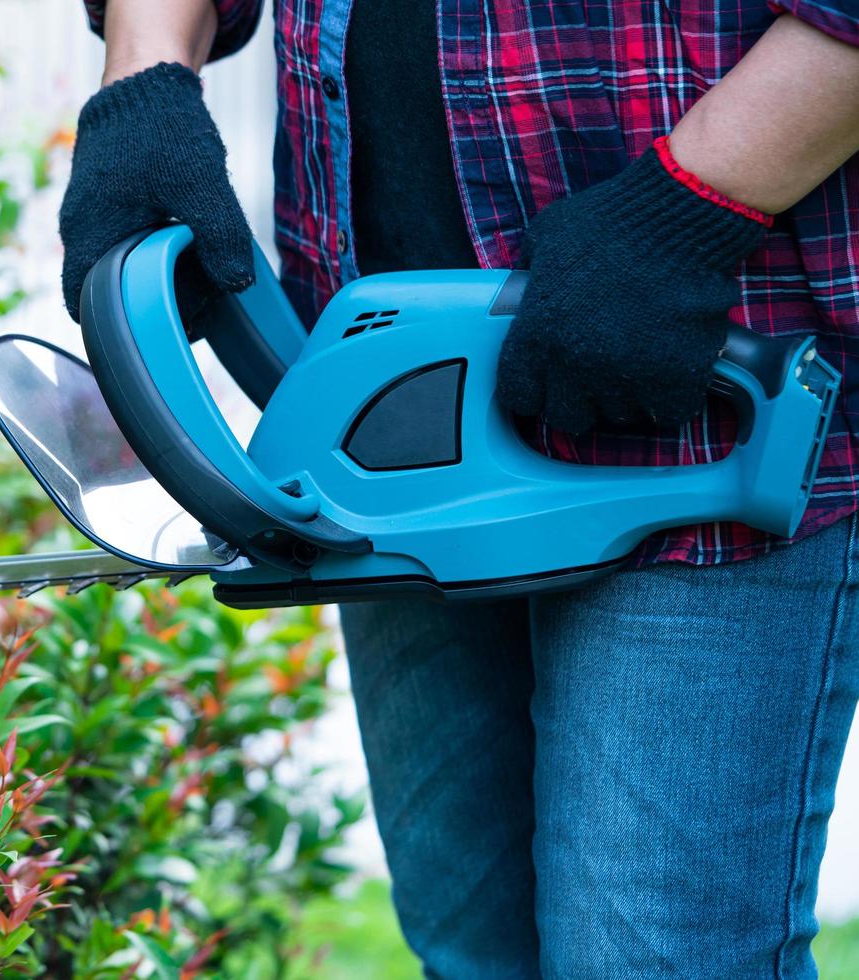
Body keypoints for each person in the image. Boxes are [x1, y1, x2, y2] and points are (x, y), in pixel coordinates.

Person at [59, 0, 859, 975]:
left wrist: (685, 214)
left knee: (650, 955)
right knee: (466, 944)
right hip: (380, 370)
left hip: (684, 349)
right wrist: (146, 77)